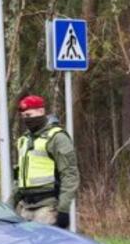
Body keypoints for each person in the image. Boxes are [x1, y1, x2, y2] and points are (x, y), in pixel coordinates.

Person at [9, 95, 79, 229]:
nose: (26, 119)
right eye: (23, 116)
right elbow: (20, 179)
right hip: (25, 208)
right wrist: (9, 205)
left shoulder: (57, 138)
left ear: (41, 112)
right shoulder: (24, 140)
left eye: (29, 115)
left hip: (47, 208)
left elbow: (70, 175)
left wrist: (63, 210)